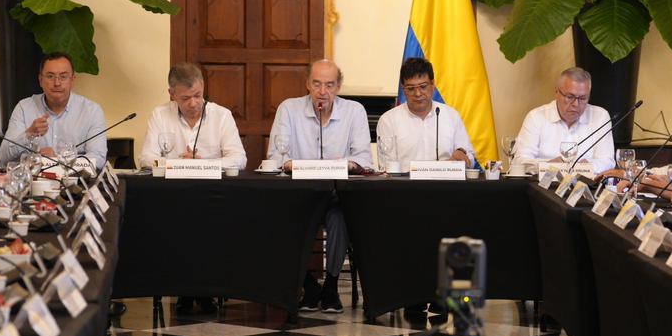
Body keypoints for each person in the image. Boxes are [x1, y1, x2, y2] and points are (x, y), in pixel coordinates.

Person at [267, 60, 372, 313]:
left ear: (339, 86)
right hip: (300, 196)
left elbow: (364, 159)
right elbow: (275, 156)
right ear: (307, 84)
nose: (322, 91)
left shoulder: (354, 111)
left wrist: (347, 165)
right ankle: (309, 285)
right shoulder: (289, 109)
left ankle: (331, 287)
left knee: (340, 218)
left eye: (329, 85)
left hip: (336, 195)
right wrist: (290, 164)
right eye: (316, 84)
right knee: (275, 218)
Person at [1, 52, 108, 169]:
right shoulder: (24, 108)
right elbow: (4, 157)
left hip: (75, 179)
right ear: (40, 80)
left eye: (63, 77)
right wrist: (28, 134)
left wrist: (58, 159)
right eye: (50, 76)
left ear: (72, 80)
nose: (57, 83)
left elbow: (98, 158)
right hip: (35, 178)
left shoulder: (91, 111)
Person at [141, 63, 246, 169]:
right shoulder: (160, 115)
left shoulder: (222, 116)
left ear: (203, 87)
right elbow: (146, 159)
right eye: (185, 98)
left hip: (210, 180)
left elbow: (239, 159)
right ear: (172, 94)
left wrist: (201, 165)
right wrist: (179, 165)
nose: (193, 104)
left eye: (197, 95)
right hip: (172, 180)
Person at [376, 57, 474, 171]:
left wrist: (461, 154)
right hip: (405, 182)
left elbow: (470, 159)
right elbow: (386, 167)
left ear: (433, 85)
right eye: (411, 88)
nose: (417, 93)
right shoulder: (388, 120)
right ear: (403, 89)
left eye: (423, 87)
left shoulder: (451, 116)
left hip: (445, 181)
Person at [513, 67, 614, 173]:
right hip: (543, 182)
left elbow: (608, 161)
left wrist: (588, 166)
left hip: (586, 181)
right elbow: (519, 161)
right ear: (557, 92)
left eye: (582, 98)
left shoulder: (600, 116)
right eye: (570, 97)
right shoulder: (536, 117)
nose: (576, 104)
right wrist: (548, 166)